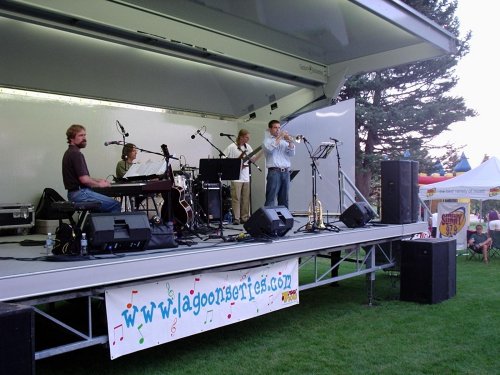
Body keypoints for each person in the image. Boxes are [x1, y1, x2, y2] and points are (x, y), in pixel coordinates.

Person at [62, 124, 121, 213]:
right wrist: (100, 185)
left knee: (101, 209)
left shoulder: (70, 152)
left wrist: (98, 180)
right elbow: (84, 179)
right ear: (71, 138)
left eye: (85, 135)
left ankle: (99, 226)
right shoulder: (76, 154)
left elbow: (81, 177)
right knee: (115, 204)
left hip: (74, 194)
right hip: (80, 194)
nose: (84, 138)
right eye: (81, 135)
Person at [223, 129, 258, 225]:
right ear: (241, 137)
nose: (248, 139)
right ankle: (236, 218)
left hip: (246, 176)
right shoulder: (232, 146)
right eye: (246, 137)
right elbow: (223, 157)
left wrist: (253, 158)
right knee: (236, 198)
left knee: (245, 198)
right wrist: (234, 163)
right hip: (236, 177)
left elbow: (253, 158)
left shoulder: (248, 146)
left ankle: (245, 217)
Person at [263, 119, 295, 208]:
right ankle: (269, 221)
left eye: (279, 128)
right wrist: (280, 137)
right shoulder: (267, 141)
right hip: (274, 172)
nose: (278, 130)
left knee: (284, 198)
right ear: (270, 129)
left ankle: (284, 220)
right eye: (275, 128)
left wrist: (290, 142)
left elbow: (291, 154)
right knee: (271, 198)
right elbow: (270, 149)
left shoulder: (284, 141)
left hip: (286, 172)